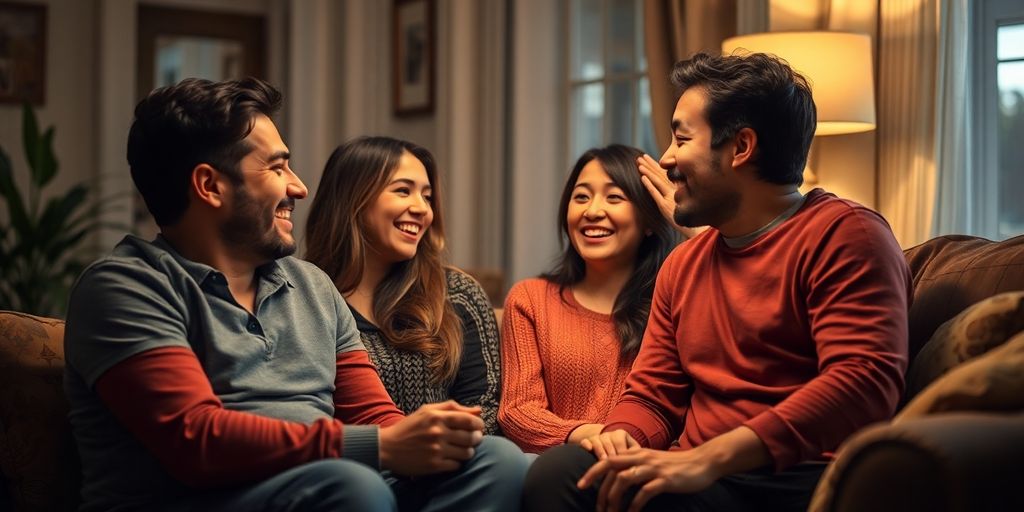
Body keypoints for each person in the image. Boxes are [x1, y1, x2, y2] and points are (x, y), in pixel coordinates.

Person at [63, 77, 527, 512]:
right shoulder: (125, 287)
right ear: (210, 186)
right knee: (353, 487)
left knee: (496, 459)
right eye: (277, 167)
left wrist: (427, 435)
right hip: (204, 495)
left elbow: (372, 414)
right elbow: (195, 441)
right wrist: (377, 448)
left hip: (337, 483)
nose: (299, 187)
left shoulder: (310, 285)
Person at [522, 52, 912, 512]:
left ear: (740, 148)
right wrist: (621, 439)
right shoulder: (685, 264)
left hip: (800, 477)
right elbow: (653, 396)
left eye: (681, 138)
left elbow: (862, 382)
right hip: (698, 476)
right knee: (561, 473)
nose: (665, 158)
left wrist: (711, 458)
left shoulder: (846, 234)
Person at [305, 136, 502, 434]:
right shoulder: (303, 299)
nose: (422, 208)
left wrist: (444, 451)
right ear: (352, 199)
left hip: (453, 466)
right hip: (355, 470)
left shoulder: (458, 293)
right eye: (403, 191)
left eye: (427, 196)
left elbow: (486, 406)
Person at [498, 144, 680, 453]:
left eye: (614, 197)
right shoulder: (530, 299)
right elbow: (517, 412)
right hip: (554, 472)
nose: (592, 211)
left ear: (649, 220)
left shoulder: (672, 304)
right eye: (581, 196)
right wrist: (593, 435)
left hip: (647, 470)